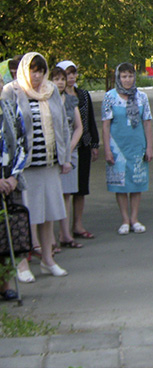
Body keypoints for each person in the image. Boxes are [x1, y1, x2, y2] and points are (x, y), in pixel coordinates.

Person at [2, 53, 72, 278]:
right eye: (33, 71)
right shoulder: (12, 91)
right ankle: (22, 263)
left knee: (49, 212)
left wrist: (65, 157)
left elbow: (63, 126)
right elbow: (7, 127)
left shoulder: (51, 91)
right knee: (26, 215)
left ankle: (47, 260)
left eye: (41, 71)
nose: (37, 76)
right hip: (24, 167)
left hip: (49, 163)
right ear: (25, 71)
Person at [102, 63, 153, 235]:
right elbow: (106, 125)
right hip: (118, 147)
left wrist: (149, 147)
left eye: (130, 76)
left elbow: (147, 122)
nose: (127, 80)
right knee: (120, 185)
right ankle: (124, 220)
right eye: (124, 76)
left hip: (137, 145)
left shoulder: (142, 97)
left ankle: (134, 219)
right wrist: (107, 149)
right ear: (118, 78)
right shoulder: (110, 97)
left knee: (137, 182)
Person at [56, 60, 99, 239]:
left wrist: (94, 143)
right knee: (65, 191)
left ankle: (78, 225)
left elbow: (89, 119)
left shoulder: (83, 94)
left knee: (81, 188)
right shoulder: (56, 96)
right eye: (67, 74)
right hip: (64, 148)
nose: (71, 77)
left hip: (83, 145)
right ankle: (63, 230)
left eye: (73, 73)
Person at [51, 67, 83, 249]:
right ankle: (50, 240)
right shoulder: (45, 100)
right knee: (52, 195)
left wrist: (70, 148)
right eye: (56, 79)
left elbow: (78, 127)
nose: (60, 82)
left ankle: (65, 235)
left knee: (66, 194)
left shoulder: (71, 100)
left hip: (70, 152)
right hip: (51, 154)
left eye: (62, 79)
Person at [0, 96, 27, 296]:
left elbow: (22, 141)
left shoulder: (10, 108)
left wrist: (14, 176)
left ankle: (5, 285)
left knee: (5, 234)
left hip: (9, 180)